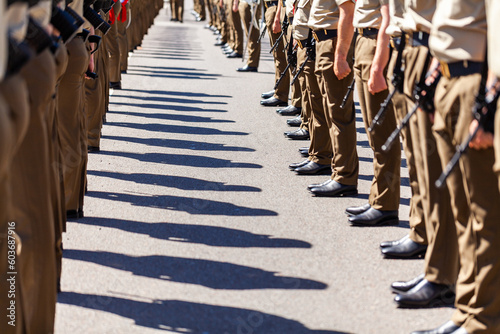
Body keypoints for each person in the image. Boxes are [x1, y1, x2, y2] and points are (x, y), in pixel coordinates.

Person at [411, 0, 500, 332]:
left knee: (484, 217)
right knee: (462, 211)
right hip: (449, 78)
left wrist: (488, 105)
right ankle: (466, 310)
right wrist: (435, 77)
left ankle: (484, 320)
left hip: (474, 81)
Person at [306, 0, 359, 197]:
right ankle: (338, 172)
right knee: (330, 112)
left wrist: (341, 56)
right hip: (324, 41)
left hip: (334, 42)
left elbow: (348, 12)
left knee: (339, 114)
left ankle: (344, 176)